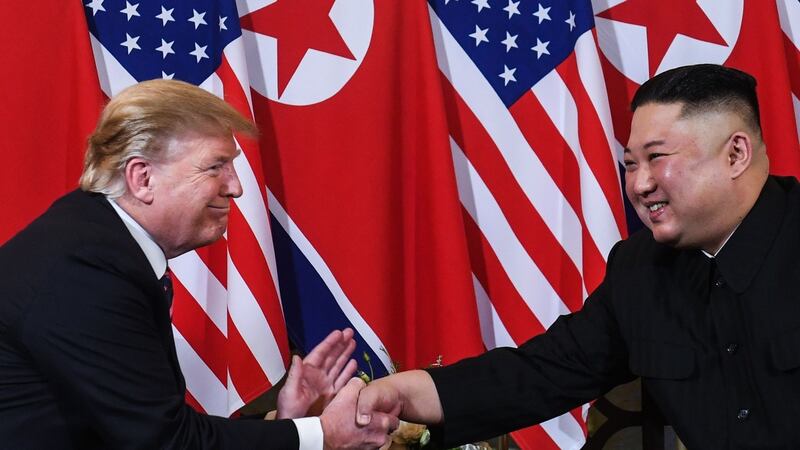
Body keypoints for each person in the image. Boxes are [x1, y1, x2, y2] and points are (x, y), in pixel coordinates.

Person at [356, 64, 800, 448]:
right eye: (630, 164)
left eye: (657, 157)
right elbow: (542, 372)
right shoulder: (639, 268)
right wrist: (402, 393)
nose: (640, 185)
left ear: (736, 154)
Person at [0, 79, 396, 449]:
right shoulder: (84, 269)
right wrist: (321, 435)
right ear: (142, 178)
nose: (236, 187)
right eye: (215, 166)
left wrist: (288, 423)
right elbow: (166, 442)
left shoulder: (96, 242)